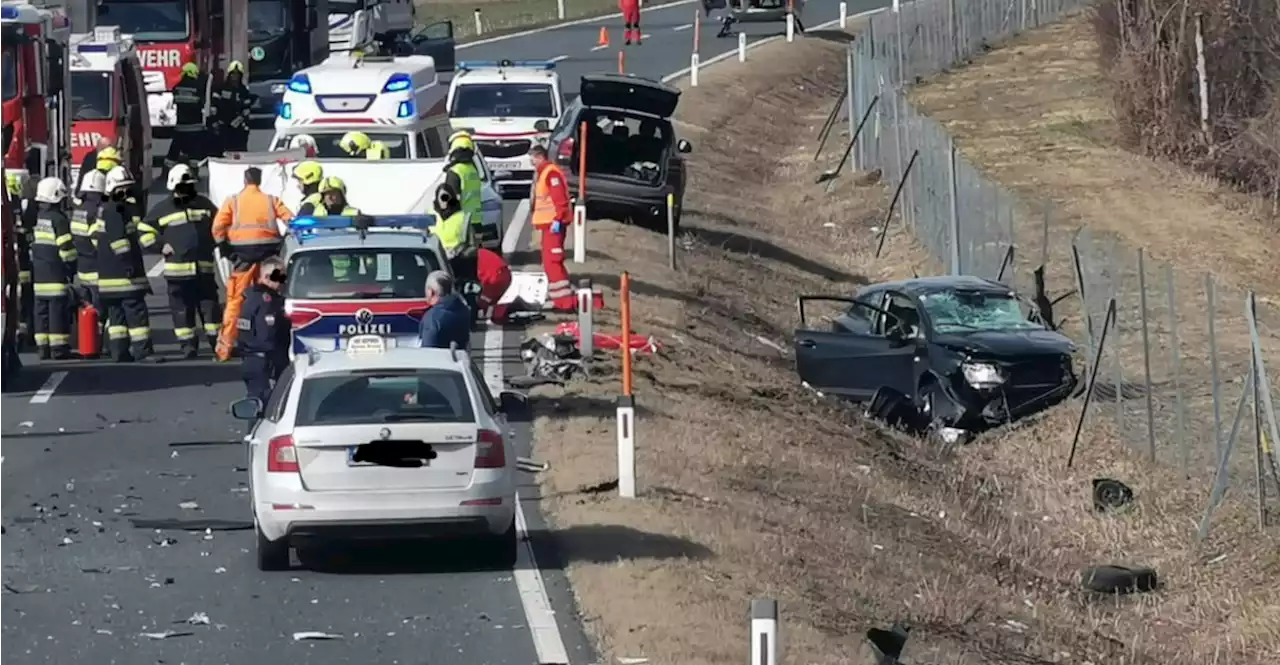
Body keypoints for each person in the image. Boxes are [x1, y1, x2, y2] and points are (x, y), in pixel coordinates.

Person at [212, 166, 293, 361]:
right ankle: (282, 343)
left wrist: (225, 248)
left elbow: (217, 227)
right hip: (270, 259)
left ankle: (225, 349)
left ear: (245, 180)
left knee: (235, 301)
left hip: (243, 260)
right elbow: (291, 220)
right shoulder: (271, 200)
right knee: (278, 297)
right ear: (259, 180)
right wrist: (284, 241)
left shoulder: (233, 201)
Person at [145, 165, 222, 358]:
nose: (185, 191)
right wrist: (159, 245)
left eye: (188, 186)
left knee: (210, 310)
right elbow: (144, 231)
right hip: (177, 273)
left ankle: (217, 344)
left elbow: (221, 226)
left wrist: (219, 244)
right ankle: (188, 346)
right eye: (182, 187)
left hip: (203, 270)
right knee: (182, 311)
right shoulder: (162, 209)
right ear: (174, 187)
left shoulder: (205, 205)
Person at [94, 166, 153, 362]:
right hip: (125, 277)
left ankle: (119, 352)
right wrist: (130, 266)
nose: (127, 192)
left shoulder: (105, 210)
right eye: (123, 189)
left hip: (108, 276)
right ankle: (142, 352)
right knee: (136, 314)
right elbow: (120, 242)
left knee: (116, 316)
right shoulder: (116, 210)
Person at [29, 177, 76, 360]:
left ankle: (43, 348)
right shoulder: (59, 220)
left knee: (41, 313)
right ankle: (58, 349)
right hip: (56, 274)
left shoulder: (38, 218)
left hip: (39, 275)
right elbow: (66, 250)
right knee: (57, 312)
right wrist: (71, 267)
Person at [236, 256, 291, 404]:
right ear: (267, 277)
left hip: (250, 360)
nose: (284, 281)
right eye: (281, 276)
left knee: (255, 405)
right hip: (264, 362)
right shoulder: (268, 302)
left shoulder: (252, 297)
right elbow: (267, 336)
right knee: (268, 406)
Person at [528, 145, 576, 311]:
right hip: (548, 225)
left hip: (553, 225)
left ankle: (564, 302)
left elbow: (560, 199)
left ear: (540, 156)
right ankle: (560, 299)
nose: (531, 161)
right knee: (549, 262)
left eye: (533, 157)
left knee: (553, 262)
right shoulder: (543, 173)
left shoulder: (550, 173)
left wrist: (558, 218)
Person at [71, 169, 106, 313]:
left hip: (82, 267)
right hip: (96, 266)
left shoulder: (78, 210)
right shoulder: (97, 210)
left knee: (87, 308)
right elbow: (98, 239)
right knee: (99, 308)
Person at [166, 62, 208, 177]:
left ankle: (166, 173)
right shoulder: (198, 87)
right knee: (195, 153)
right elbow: (202, 103)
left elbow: (174, 101)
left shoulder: (177, 86)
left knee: (174, 151)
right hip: (195, 127)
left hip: (180, 127)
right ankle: (194, 173)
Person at [443, 131, 486, 243]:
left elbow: (449, 201)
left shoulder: (455, 172)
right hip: (476, 222)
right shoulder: (472, 170)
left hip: (461, 225)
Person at [430, 183, 477, 285]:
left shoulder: (463, 217)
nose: (445, 201)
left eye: (447, 197)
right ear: (437, 199)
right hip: (436, 263)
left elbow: (473, 246)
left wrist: (461, 254)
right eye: (442, 197)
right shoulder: (430, 216)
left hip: (458, 265)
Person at [7, 173, 33, 346]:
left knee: (24, 298)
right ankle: (22, 332)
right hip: (18, 262)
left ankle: (23, 332)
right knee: (21, 298)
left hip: (20, 262)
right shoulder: (24, 207)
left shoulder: (25, 206)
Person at [417, 270, 470, 350]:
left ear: (431, 292)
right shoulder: (463, 310)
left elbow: (428, 352)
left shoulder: (432, 319)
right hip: (460, 360)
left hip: (440, 361)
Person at [211, 61, 255, 155]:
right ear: (229, 74)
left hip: (237, 127)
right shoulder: (221, 88)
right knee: (223, 151)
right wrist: (215, 122)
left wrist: (239, 121)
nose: (235, 77)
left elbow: (246, 110)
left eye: (237, 74)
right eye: (233, 74)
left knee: (239, 150)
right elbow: (214, 106)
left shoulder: (244, 91)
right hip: (223, 125)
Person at [476, 247, 513, 323]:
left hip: (496, 278)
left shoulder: (474, 258)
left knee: (483, 302)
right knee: (488, 303)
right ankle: (505, 310)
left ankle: (507, 309)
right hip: (502, 275)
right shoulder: (479, 254)